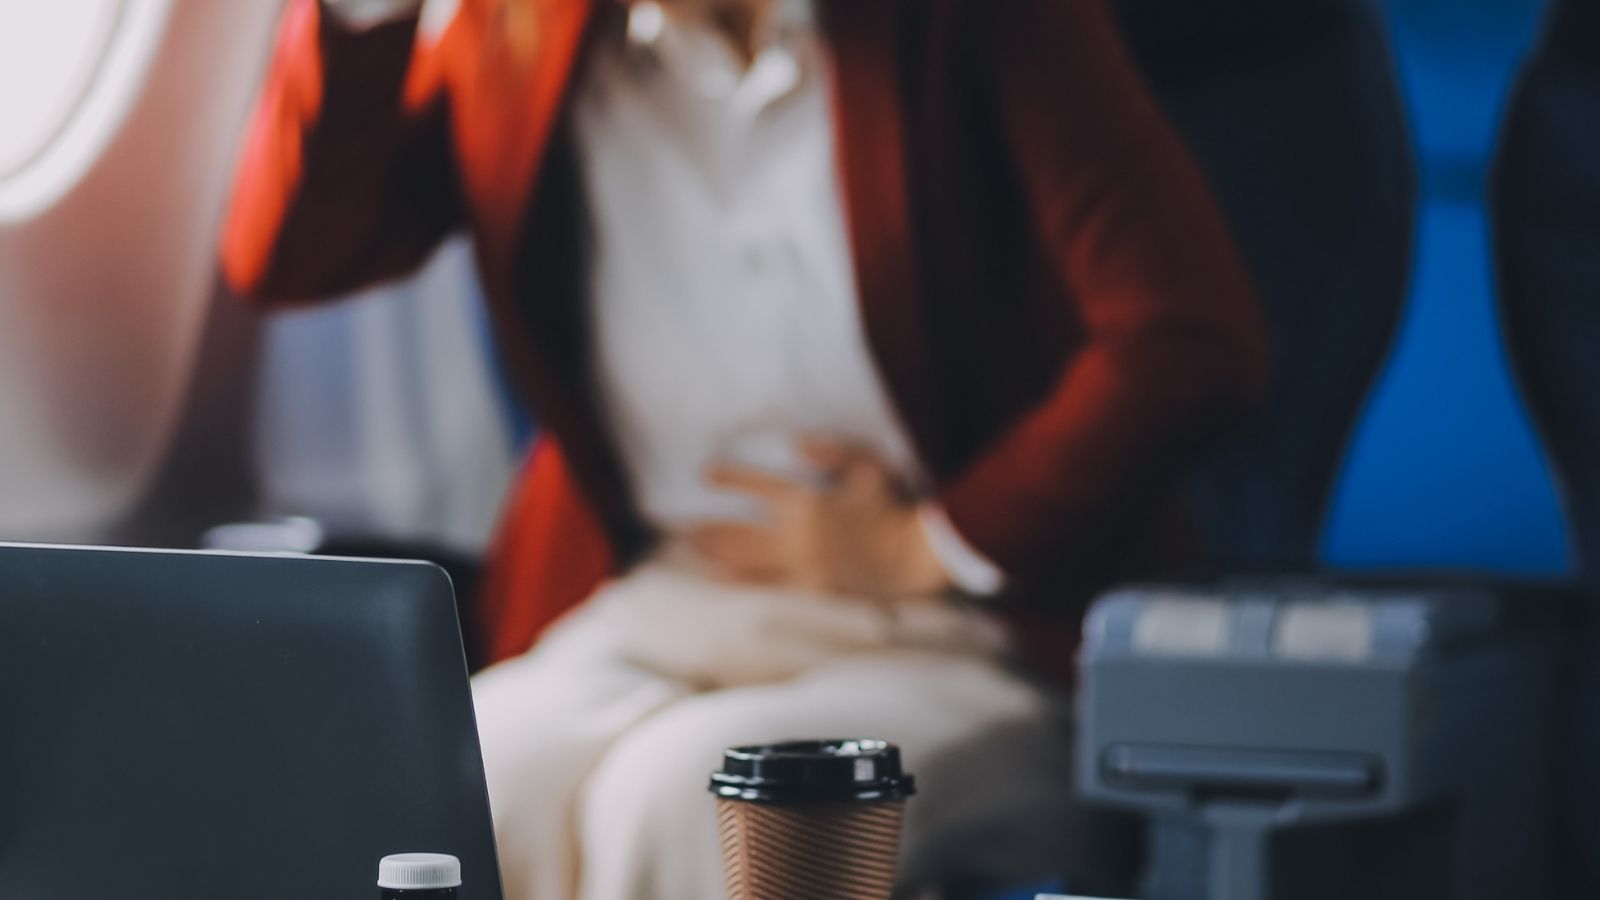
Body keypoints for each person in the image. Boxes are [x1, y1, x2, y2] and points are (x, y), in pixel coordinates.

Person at [222, 0, 1267, 896]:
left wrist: (930, 543)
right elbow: (293, 256)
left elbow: (1192, 336)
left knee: (693, 801)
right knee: (449, 784)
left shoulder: (969, 19)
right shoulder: (518, 33)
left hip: (959, 629)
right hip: (666, 599)